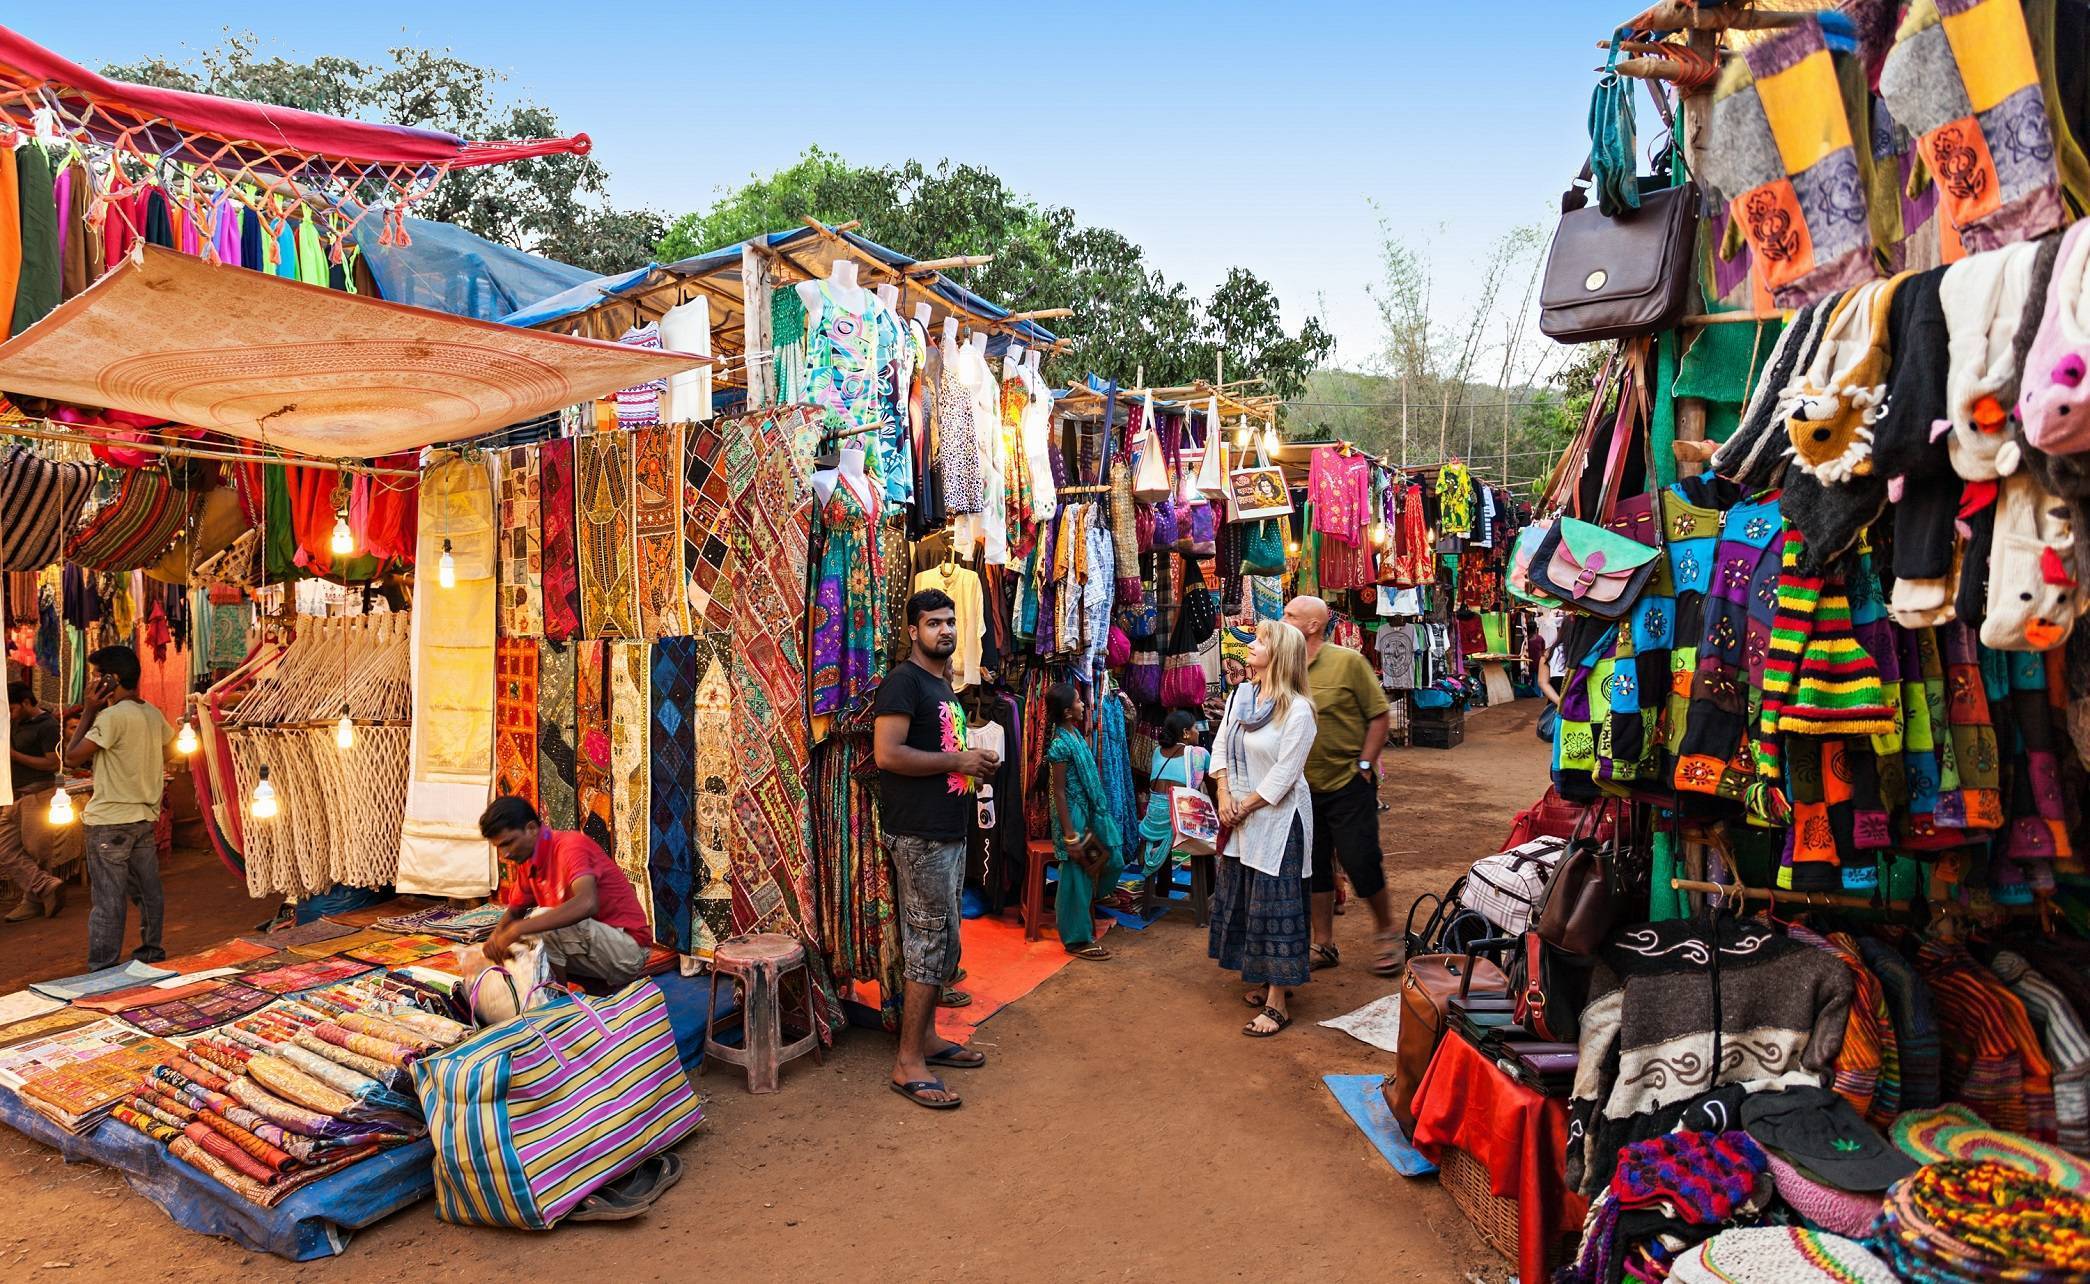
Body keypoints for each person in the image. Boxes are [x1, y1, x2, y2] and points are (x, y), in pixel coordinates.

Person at [873, 588, 1001, 1110]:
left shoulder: (941, 684)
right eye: (933, 623)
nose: (945, 630)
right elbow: (888, 754)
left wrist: (969, 761)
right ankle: (907, 1064)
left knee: (944, 941)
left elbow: (942, 750)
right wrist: (958, 763)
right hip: (919, 835)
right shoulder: (903, 682)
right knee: (925, 945)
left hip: (946, 831)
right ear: (912, 631)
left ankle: (925, 1040)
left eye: (950, 622)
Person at [1209, 619, 1318, 1037]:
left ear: (1280, 655)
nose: (1251, 646)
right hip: (1241, 811)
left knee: (1277, 905)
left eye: (1259, 642)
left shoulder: (1300, 710)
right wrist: (1223, 794)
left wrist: (1243, 806)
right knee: (1250, 897)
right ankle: (1263, 980)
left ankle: (1278, 1003)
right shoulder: (1242, 694)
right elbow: (1222, 744)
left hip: (1279, 820)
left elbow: (1286, 775)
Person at [1281, 596, 1400, 976]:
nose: (1282, 619)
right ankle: (1323, 943)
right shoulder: (1285, 669)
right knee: (1313, 866)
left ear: (1313, 625)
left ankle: (1387, 932)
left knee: (1361, 859)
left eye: (1289, 615)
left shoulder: (1347, 662)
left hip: (1348, 782)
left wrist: (1365, 765)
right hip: (1302, 788)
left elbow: (1380, 715)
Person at [62, 645, 175, 970]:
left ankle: (103, 967)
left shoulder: (110, 717)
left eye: (96, 675)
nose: (92, 681)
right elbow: (168, 752)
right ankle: (151, 952)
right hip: (142, 819)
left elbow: (72, 757)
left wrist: (87, 710)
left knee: (108, 900)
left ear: (111, 680)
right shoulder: (151, 713)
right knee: (149, 892)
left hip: (109, 823)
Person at [478, 796, 653, 989]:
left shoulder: (570, 846)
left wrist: (518, 929)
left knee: (540, 923)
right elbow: (514, 912)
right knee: (517, 946)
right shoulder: (528, 860)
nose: (505, 854)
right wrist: (495, 939)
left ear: (531, 828)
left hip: (628, 950)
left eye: (507, 843)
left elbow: (587, 903)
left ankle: (559, 1004)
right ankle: (568, 995)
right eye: (499, 847)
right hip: (598, 947)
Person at [1044, 681, 1124, 961]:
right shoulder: (1059, 746)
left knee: (1110, 859)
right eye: (1078, 701)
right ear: (1067, 712)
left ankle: (1098, 894)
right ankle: (1077, 939)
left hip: (1089, 813)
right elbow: (1059, 792)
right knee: (1076, 873)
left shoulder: (1074, 735)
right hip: (1073, 817)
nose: (1083, 704)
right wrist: (1069, 835)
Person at [1, 681, 64, 923]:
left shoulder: (48, 725)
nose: (11, 713)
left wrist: (14, 755)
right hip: (13, 795)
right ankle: (46, 885)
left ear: (27, 702)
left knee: (37, 851)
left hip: (37, 794)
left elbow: (52, 763)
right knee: (5, 850)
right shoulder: (11, 722)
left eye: (14, 708)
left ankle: (33, 902)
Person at [1135, 709, 1209, 879]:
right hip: (1180, 824)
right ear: (1185, 733)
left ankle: (1162, 889)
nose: (1198, 732)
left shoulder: (1156, 753)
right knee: (1209, 830)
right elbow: (1212, 788)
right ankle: (1208, 890)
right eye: (1195, 728)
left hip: (1153, 822)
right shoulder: (1199, 754)